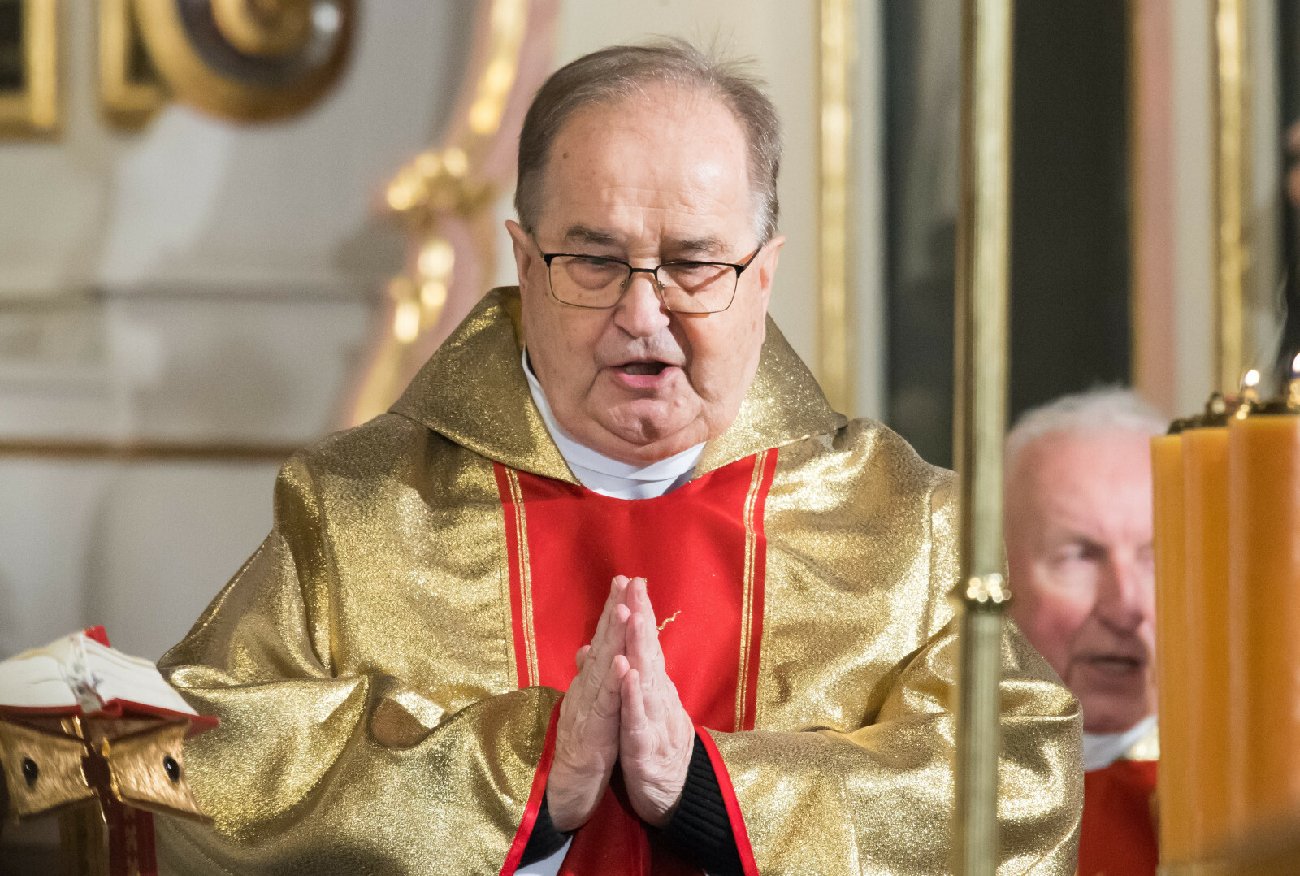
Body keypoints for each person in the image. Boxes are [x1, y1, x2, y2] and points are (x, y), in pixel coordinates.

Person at [157, 41, 1081, 875]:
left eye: (693, 264)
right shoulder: (359, 511)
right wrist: (526, 776)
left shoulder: (907, 524)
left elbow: (1021, 789)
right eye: (595, 263)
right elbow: (201, 764)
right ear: (525, 262)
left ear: (763, 274)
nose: (645, 316)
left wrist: (711, 794)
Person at [1004, 389, 1165, 876]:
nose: (1126, 606)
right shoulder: (925, 787)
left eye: (1155, 556)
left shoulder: (1265, 799)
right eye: (1080, 556)